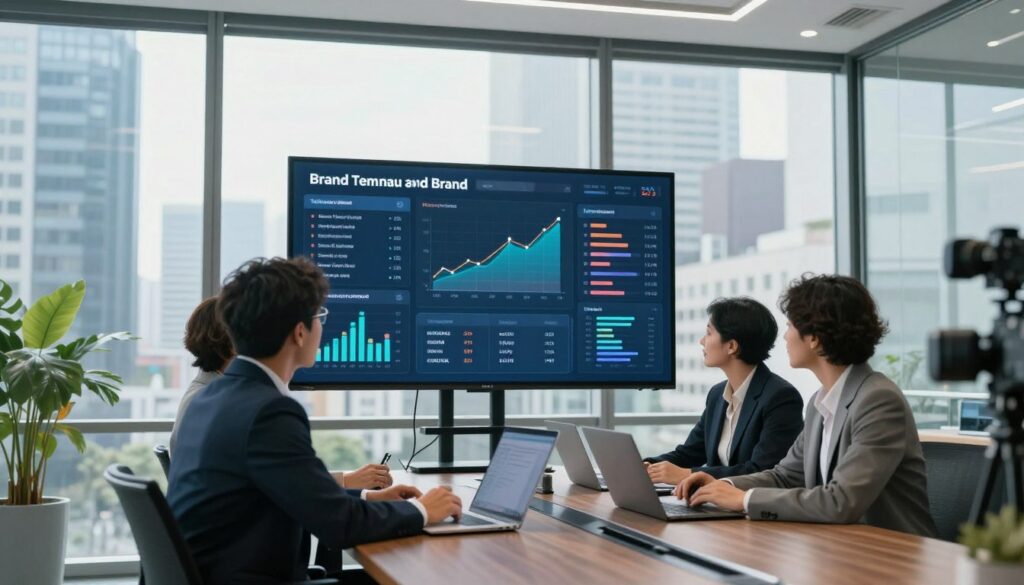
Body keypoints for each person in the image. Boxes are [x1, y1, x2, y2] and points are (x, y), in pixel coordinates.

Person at [167, 258, 462, 584]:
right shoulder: (269, 411)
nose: (323, 327)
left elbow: (291, 492)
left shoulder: (211, 397)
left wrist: (366, 497)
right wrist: (423, 511)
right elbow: (339, 526)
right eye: (319, 316)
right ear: (299, 332)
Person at [677, 275, 938, 538]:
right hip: (839, 548)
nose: (786, 337)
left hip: (891, 554)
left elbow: (841, 501)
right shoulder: (819, 403)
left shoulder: (878, 401)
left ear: (813, 338)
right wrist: (723, 484)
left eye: (790, 326)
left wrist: (743, 500)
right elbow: (785, 476)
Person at [170, 296, 393, 490]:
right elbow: (286, 486)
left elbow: (277, 478)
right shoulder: (230, 405)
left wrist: (353, 486)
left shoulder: (203, 395)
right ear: (234, 345)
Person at [643, 297, 804, 486]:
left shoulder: (780, 397)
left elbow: (761, 470)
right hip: (715, 504)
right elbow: (690, 452)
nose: (702, 341)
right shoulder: (717, 394)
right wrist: (647, 465)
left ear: (731, 346)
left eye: (709, 333)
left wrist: (688, 475)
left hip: (750, 508)